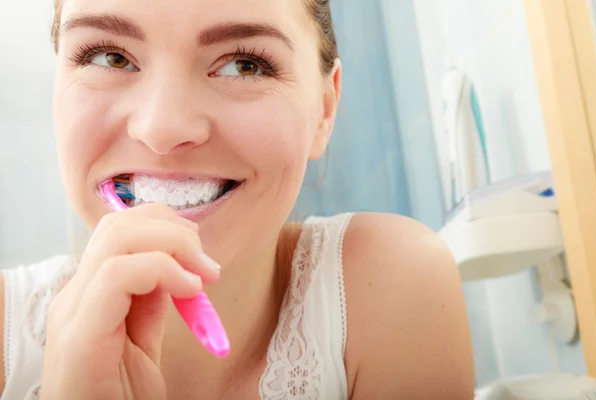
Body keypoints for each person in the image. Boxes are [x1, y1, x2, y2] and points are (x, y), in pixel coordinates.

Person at [0, 0, 474, 398]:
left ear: (325, 110)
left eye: (244, 64)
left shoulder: (393, 284)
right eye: (110, 57)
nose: (163, 128)